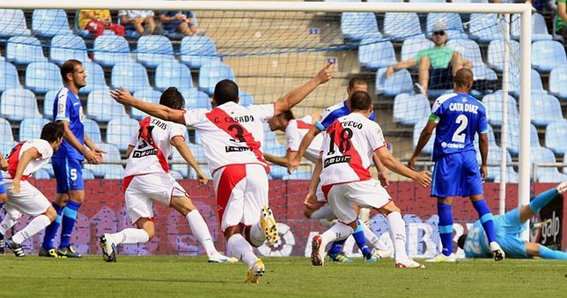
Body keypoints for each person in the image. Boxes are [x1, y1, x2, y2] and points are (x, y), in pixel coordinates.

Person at [111, 64, 333, 283]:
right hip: (257, 170)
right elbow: (287, 102)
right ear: (237, 100)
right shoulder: (253, 111)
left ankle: (255, 252)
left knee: (231, 232)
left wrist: (132, 101)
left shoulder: (206, 115)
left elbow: (167, 112)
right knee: (252, 235)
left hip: (230, 173)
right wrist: (317, 80)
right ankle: (256, 248)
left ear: (214, 100)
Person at [99, 87, 236, 263]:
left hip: (131, 178)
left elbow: (129, 151)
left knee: (147, 231)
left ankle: (112, 239)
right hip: (153, 173)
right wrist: (198, 169)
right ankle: (212, 253)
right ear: (178, 108)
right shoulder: (174, 121)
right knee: (188, 208)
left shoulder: (144, 121)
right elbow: (178, 141)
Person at [309, 91, 431, 268]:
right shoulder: (370, 125)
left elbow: (320, 159)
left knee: (349, 223)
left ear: (349, 107)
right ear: (371, 108)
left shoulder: (333, 125)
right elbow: (386, 158)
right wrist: (415, 175)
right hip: (353, 175)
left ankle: (322, 239)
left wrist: (312, 191)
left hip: (328, 181)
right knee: (392, 210)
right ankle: (402, 257)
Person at [287, 77, 391, 262]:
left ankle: (340, 250)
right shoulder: (334, 112)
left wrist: (381, 169)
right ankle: (366, 250)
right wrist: (297, 157)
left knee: (352, 212)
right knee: (345, 210)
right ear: (348, 91)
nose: (361, 95)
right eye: (357, 91)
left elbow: (371, 144)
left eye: (364, 91)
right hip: (333, 162)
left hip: (352, 167)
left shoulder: (366, 114)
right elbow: (312, 132)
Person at [408, 68, 504, 263]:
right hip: (469, 157)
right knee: (479, 200)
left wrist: (415, 155)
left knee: (445, 202)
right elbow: (483, 139)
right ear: (470, 84)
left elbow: (428, 130)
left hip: (448, 157)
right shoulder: (479, 107)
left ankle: (446, 252)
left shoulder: (443, 102)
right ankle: (493, 241)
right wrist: (484, 163)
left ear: (454, 81)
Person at [40, 59, 105, 258]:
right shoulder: (64, 96)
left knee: (62, 199)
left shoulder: (76, 98)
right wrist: (85, 152)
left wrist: (92, 147)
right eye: (81, 72)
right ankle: (64, 244)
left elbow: (78, 129)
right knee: (77, 197)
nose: (85, 75)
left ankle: (47, 244)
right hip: (66, 153)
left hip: (73, 153)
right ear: (70, 76)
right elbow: (63, 128)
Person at [0, 122, 64, 257]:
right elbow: (28, 154)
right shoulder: (47, 147)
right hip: (13, 180)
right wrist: (17, 179)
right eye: (61, 140)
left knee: (15, 212)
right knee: (51, 214)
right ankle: (16, 240)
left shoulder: (27, 141)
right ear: (57, 139)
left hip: (3, 180)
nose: (61, 143)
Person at [459, 181, 567, 260]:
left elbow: (490, 257)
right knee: (531, 207)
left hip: (497, 241)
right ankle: (555, 191)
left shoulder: (468, 251)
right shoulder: (474, 227)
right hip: (500, 222)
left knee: (538, 250)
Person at [385, 22, 472, 98]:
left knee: (457, 56)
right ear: (432, 35)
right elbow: (409, 62)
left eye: (441, 33)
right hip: (432, 78)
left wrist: (466, 70)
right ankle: (423, 90)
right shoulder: (426, 52)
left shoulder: (452, 52)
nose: (438, 36)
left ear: (446, 36)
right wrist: (393, 67)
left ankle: (458, 88)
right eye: (436, 33)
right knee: (424, 58)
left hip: (449, 78)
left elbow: (468, 63)